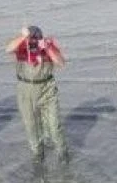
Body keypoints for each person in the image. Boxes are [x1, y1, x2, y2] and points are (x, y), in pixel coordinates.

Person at [6, 25, 69, 164]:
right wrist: (23, 37)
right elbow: (8, 48)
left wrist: (47, 47)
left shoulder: (47, 46)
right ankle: (38, 156)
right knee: (31, 125)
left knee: (54, 126)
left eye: (36, 38)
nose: (34, 42)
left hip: (47, 88)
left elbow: (61, 63)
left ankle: (62, 154)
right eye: (32, 39)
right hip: (25, 88)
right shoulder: (22, 46)